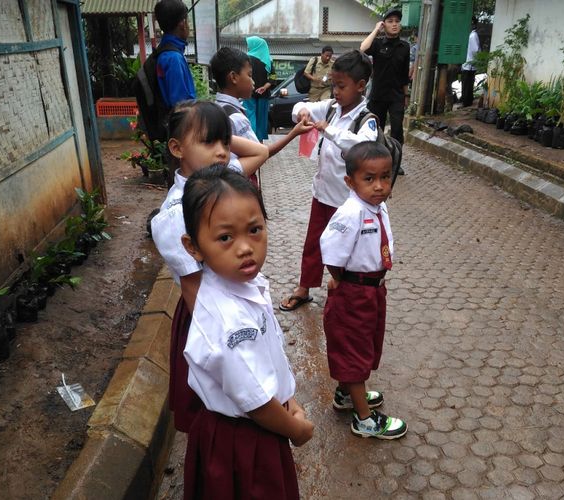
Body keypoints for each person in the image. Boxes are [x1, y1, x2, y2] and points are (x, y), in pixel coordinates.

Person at [180, 165, 314, 498]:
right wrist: (296, 429)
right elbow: (253, 401)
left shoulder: (247, 285)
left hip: (266, 420)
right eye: (225, 237)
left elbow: (268, 358)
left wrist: (289, 397)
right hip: (242, 439)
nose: (244, 247)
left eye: (254, 230)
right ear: (193, 247)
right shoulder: (226, 318)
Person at [150, 101, 269, 432]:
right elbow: (193, 288)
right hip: (211, 317)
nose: (221, 152)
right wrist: (225, 352)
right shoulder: (177, 214)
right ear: (177, 148)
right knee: (220, 404)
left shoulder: (221, 182)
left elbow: (260, 152)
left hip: (237, 306)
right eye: (208, 142)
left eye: (225, 143)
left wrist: (220, 131)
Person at [320, 141, 407, 439]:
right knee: (354, 350)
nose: (380, 185)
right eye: (369, 179)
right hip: (355, 293)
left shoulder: (377, 206)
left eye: (385, 176)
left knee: (364, 344)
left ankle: (347, 394)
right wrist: (340, 280)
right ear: (350, 181)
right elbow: (331, 252)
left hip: (372, 291)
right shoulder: (350, 213)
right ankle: (365, 419)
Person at [279, 50, 379, 312]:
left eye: (341, 86)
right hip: (322, 193)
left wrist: (329, 130)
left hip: (346, 203)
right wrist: (302, 113)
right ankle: (304, 288)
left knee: (342, 249)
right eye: (333, 84)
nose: (335, 91)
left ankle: (342, 292)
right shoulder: (332, 109)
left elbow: (362, 146)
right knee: (313, 244)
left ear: (360, 86)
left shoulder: (365, 120)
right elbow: (301, 107)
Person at [211, 47, 314, 156]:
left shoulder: (216, 107)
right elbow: (261, 154)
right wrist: (293, 133)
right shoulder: (237, 118)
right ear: (233, 77)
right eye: (249, 75)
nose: (253, 82)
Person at [360, 7, 410, 148]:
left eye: (397, 21)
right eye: (390, 21)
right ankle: (377, 158)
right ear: (384, 24)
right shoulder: (377, 44)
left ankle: (395, 160)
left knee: (397, 129)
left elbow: (404, 73)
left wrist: (406, 95)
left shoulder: (404, 47)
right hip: (378, 95)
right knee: (376, 128)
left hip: (397, 96)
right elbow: (363, 48)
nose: (394, 24)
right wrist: (376, 30)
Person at [154, 0, 195, 110]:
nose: (189, 26)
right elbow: (181, 107)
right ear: (183, 23)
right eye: (188, 21)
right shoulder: (173, 58)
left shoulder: (163, 51)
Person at [244, 36, 276, 141]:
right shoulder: (268, 60)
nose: (248, 47)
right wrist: (264, 87)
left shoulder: (246, 59)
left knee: (250, 115)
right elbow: (273, 77)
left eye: (249, 45)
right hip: (264, 93)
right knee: (262, 118)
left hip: (248, 92)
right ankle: (260, 140)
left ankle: (251, 140)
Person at [461, 17, 480, 108]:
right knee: (467, 84)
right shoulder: (471, 35)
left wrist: (473, 62)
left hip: (469, 65)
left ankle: (466, 102)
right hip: (468, 64)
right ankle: (467, 101)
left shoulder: (472, 36)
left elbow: (475, 50)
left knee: (467, 85)